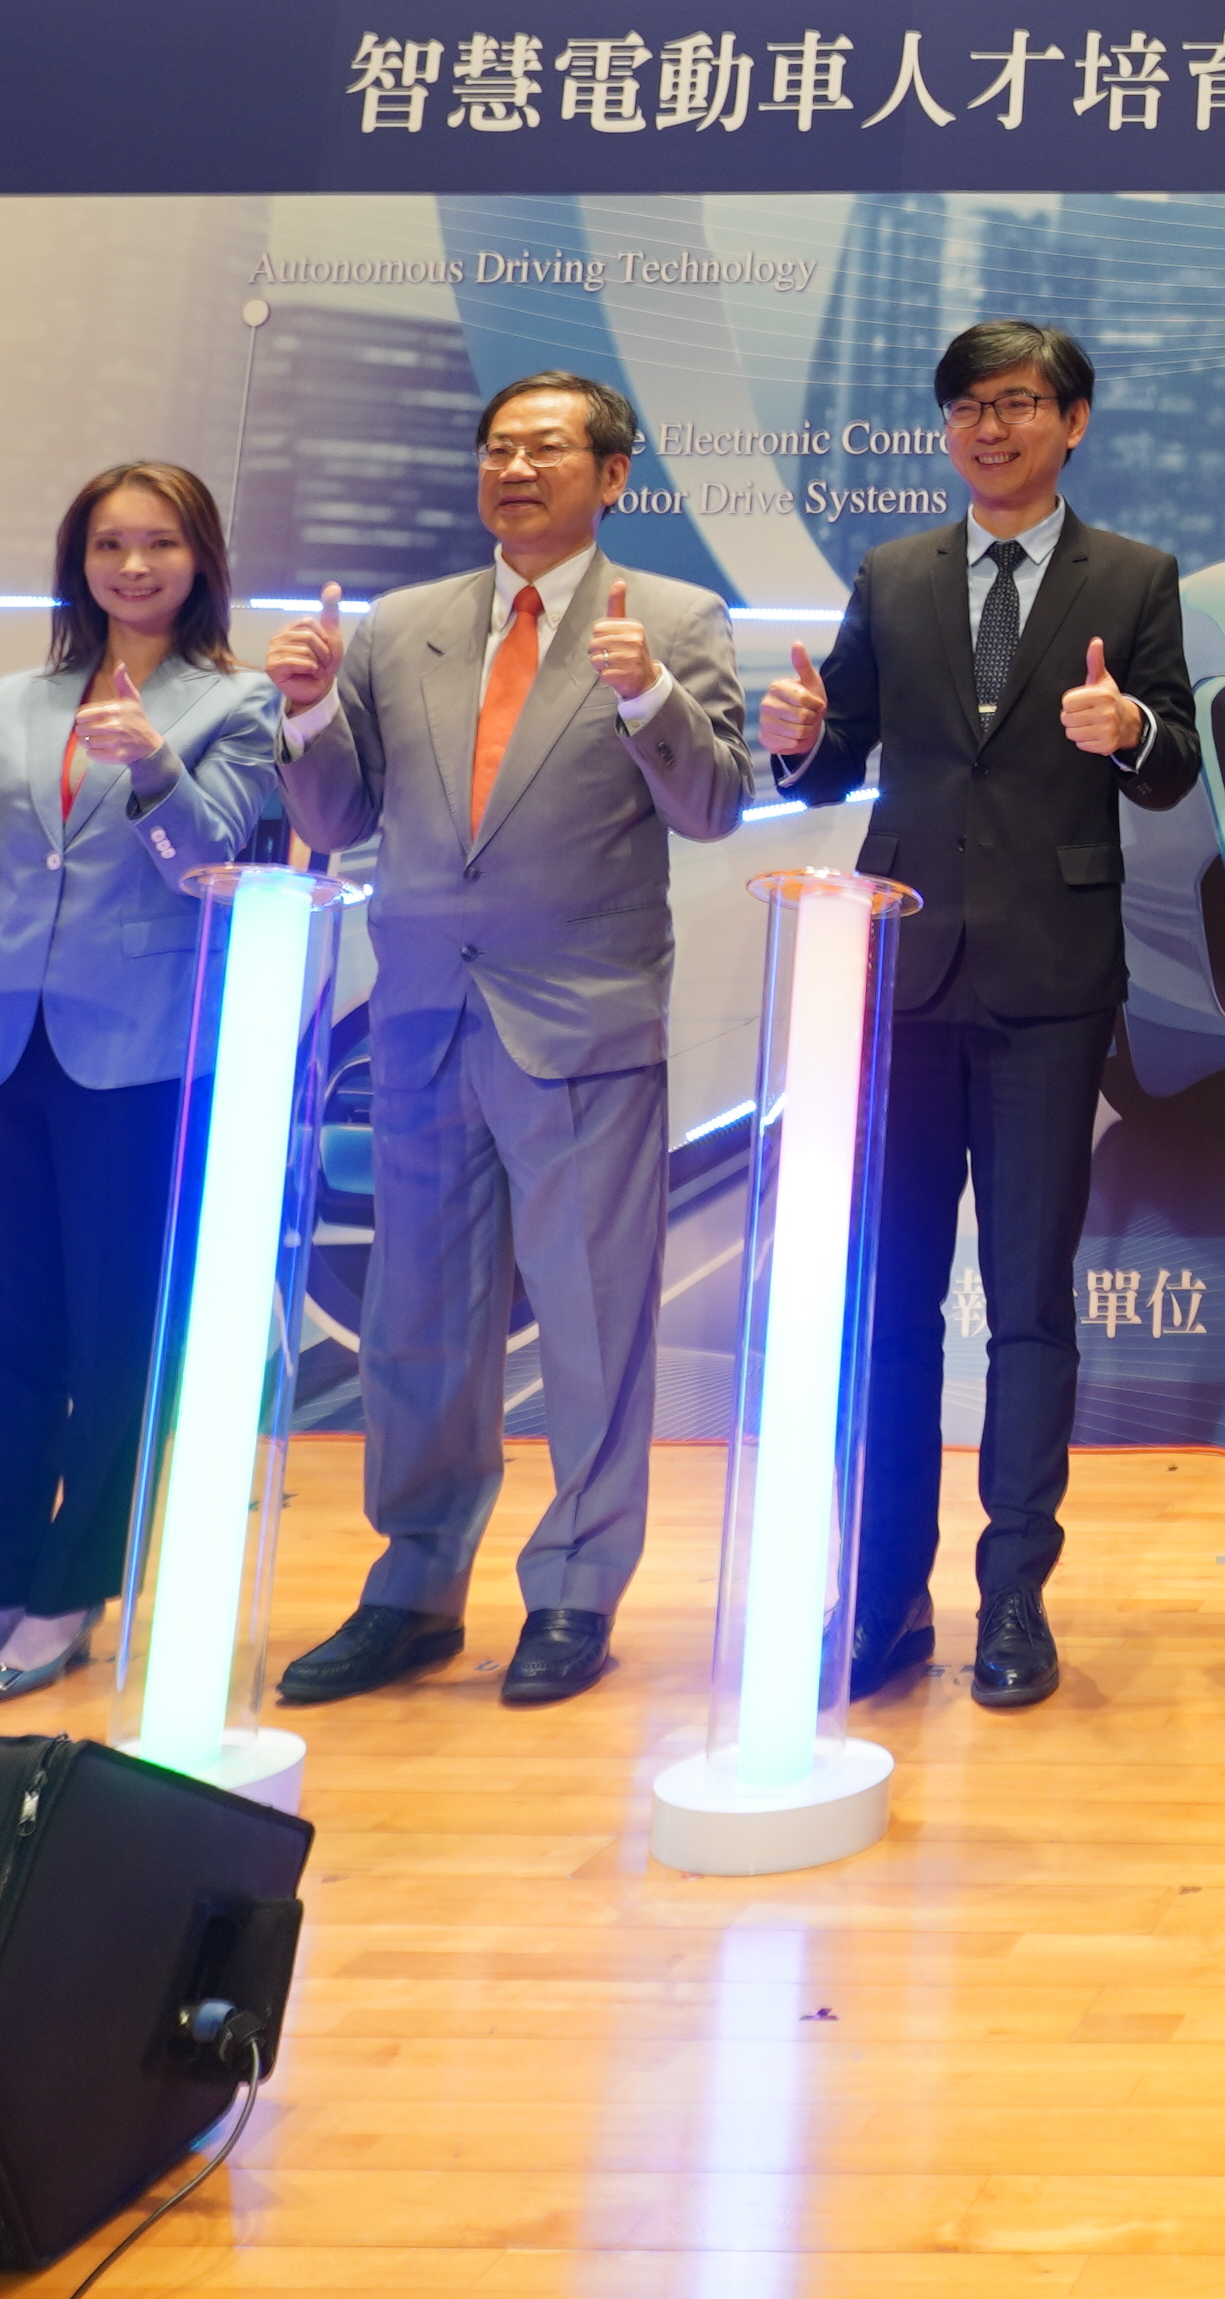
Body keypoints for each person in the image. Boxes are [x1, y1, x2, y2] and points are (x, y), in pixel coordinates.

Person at [267, 371, 753, 1716]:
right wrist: (306, 711)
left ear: (615, 475)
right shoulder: (403, 625)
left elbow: (714, 805)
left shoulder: (673, 618)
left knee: (594, 1324)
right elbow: (337, 807)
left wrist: (653, 700)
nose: (516, 470)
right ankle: (413, 1587)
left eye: (546, 449)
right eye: (497, 450)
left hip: (582, 1021)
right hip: (422, 1017)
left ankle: (577, 1590)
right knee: (418, 1320)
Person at [758, 319, 1207, 1715]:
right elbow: (835, 754)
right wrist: (796, 735)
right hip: (900, 980)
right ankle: (884, 1598)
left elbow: (1175, 756)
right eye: (966, 407)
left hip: (1050, 989)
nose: (989, 429)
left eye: (1017, 404)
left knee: (1025, 1306)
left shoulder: (1133, 575)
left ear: (1074, 420)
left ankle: (1013, 1599)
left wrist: (1124, 731)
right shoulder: (893, 574)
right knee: (888, 1305)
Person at [0, 460, 282, 1706]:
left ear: (201, 560)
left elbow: (208, 860)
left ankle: (68, 1596)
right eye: (111, 545)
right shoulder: (19, 700)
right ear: (79, 561)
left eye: (161, 544)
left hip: (146, 1051)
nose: (134, 567)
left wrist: (157, 765)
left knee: (114, 1343)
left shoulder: (239, 700)